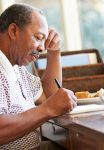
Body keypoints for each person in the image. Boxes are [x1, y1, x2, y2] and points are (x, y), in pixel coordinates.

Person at [0, 3, 77, 150]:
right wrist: (47, 109)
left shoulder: (17, 69)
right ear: (13, 31)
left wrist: (54, 52)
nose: (42, 48)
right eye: (38, 37)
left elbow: (49, 96)